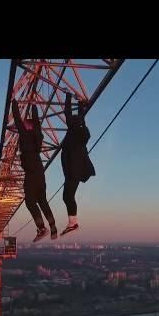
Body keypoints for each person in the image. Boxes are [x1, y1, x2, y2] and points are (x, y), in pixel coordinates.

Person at [12, 99, 58, 242]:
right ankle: (53, 227)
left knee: (30, 201)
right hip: (39, 172)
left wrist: (13, 101)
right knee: (42, 200)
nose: (22, 124)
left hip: (31, 173)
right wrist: (33, 105)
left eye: (25, 124)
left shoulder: (25, 135)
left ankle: (42, 228)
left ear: (27, 127)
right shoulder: (37, 135)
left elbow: (17, 118)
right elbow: (36, 121)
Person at [60, 93, 95, 236]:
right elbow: (76, 117)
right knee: (67, 196)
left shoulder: (75, 134)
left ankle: (73, 223)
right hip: (75, 171)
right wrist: (79, 105)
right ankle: (72, 222)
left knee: (67, 196)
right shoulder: (81, 134)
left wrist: (68, 98)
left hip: (73, 172)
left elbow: (68, 113)